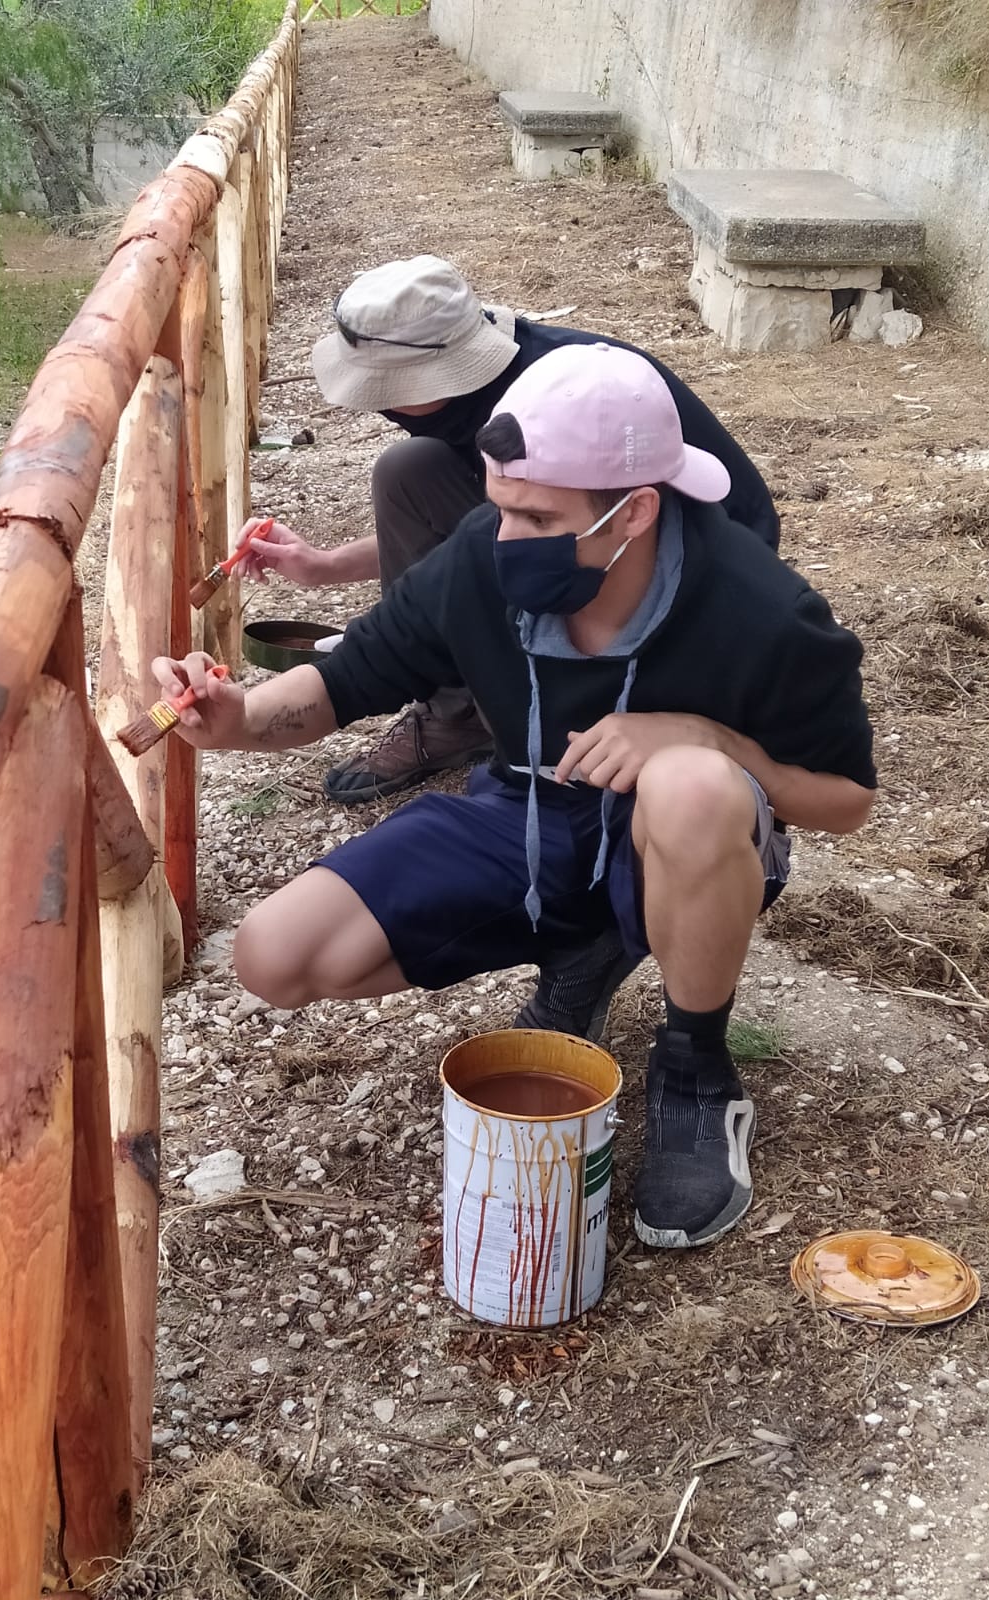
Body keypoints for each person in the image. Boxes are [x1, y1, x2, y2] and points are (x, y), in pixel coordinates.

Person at [153, 343, 875, 1249]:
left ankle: (695, 1067)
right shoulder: (483, 558)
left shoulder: (761, 609)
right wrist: (236, 719)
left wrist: (708, 739)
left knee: (690, 784)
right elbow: (346, 678)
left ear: (635, 510)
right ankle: (585, 947)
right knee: (276, 956)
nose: (504, 539)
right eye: (500, 507)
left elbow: (847, 800)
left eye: (536, 516)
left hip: (685, 833)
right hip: (530, 809)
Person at [236, 254, 780, 806]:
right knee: (409, 470)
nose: (382, 404)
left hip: (682, 567)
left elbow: (571, 530)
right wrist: (324, 566)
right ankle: (455, 714)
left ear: (441, 370)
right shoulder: (466, 401)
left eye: (389, 387)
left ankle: (566, 705)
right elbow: (488, 529)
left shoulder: (545, 409)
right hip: (596, 530)